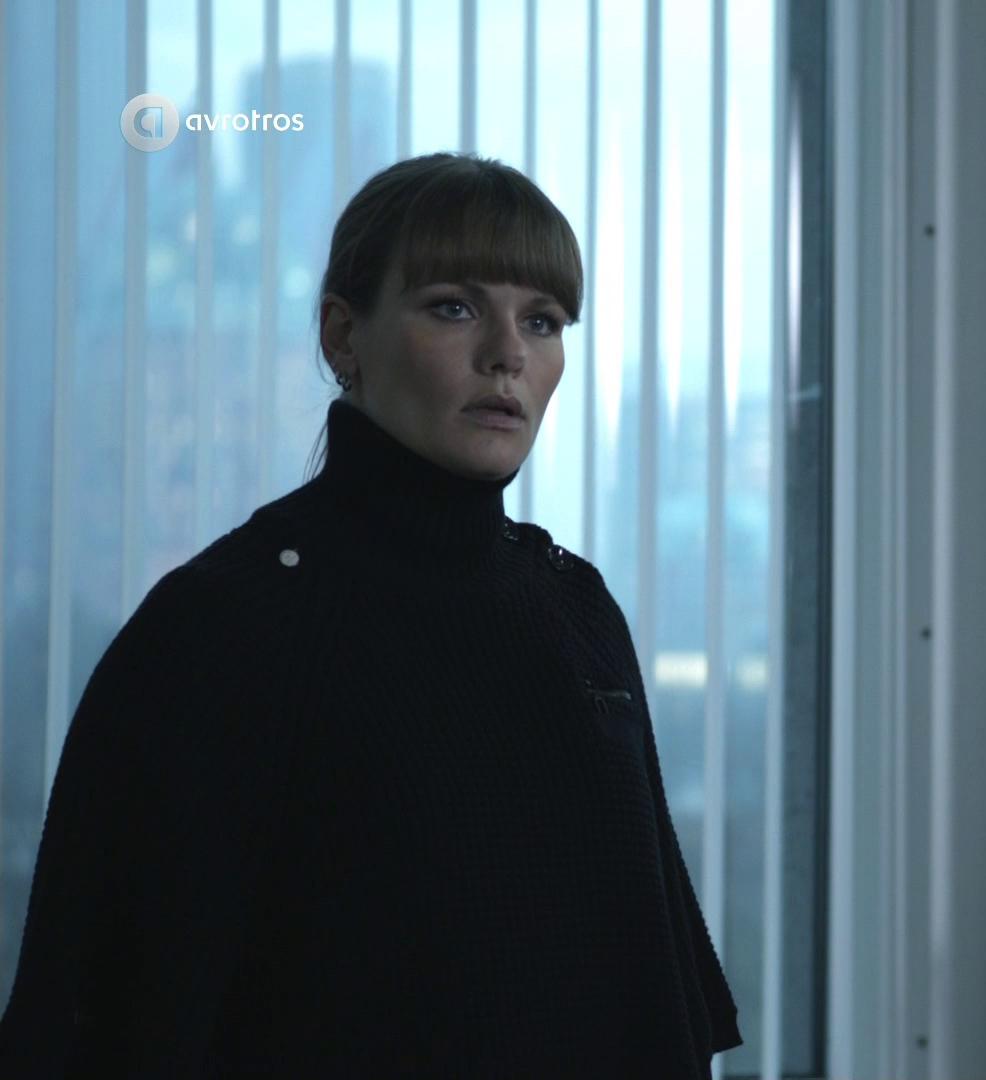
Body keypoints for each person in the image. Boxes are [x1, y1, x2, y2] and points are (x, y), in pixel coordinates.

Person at [0, 152, 740, 1075]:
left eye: (542, 320)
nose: (508, 354)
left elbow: (657, 1004)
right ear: (342, 335)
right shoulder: (221, 624)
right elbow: (103, 1021)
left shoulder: (575, 609)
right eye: (454, 307)